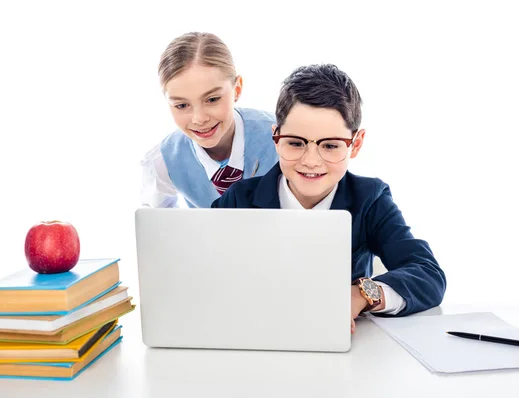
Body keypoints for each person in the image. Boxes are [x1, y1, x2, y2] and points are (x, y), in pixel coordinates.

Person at [211, 64, 446, 331]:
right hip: (252, 334)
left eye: (331, 145)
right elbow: (202, 269)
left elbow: (428, 274)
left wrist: (360, 294)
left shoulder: (370, 200)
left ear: (355, 144)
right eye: (296, 143)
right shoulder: (239, 199)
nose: (311, 161)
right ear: (275, 138)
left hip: (342, 344)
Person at [140, 32, 278, 208]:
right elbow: (157, 228)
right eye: (182, 105)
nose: (199, 119)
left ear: (237, 89)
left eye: (212, 99)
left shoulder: (284, 138)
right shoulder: (163, 161)